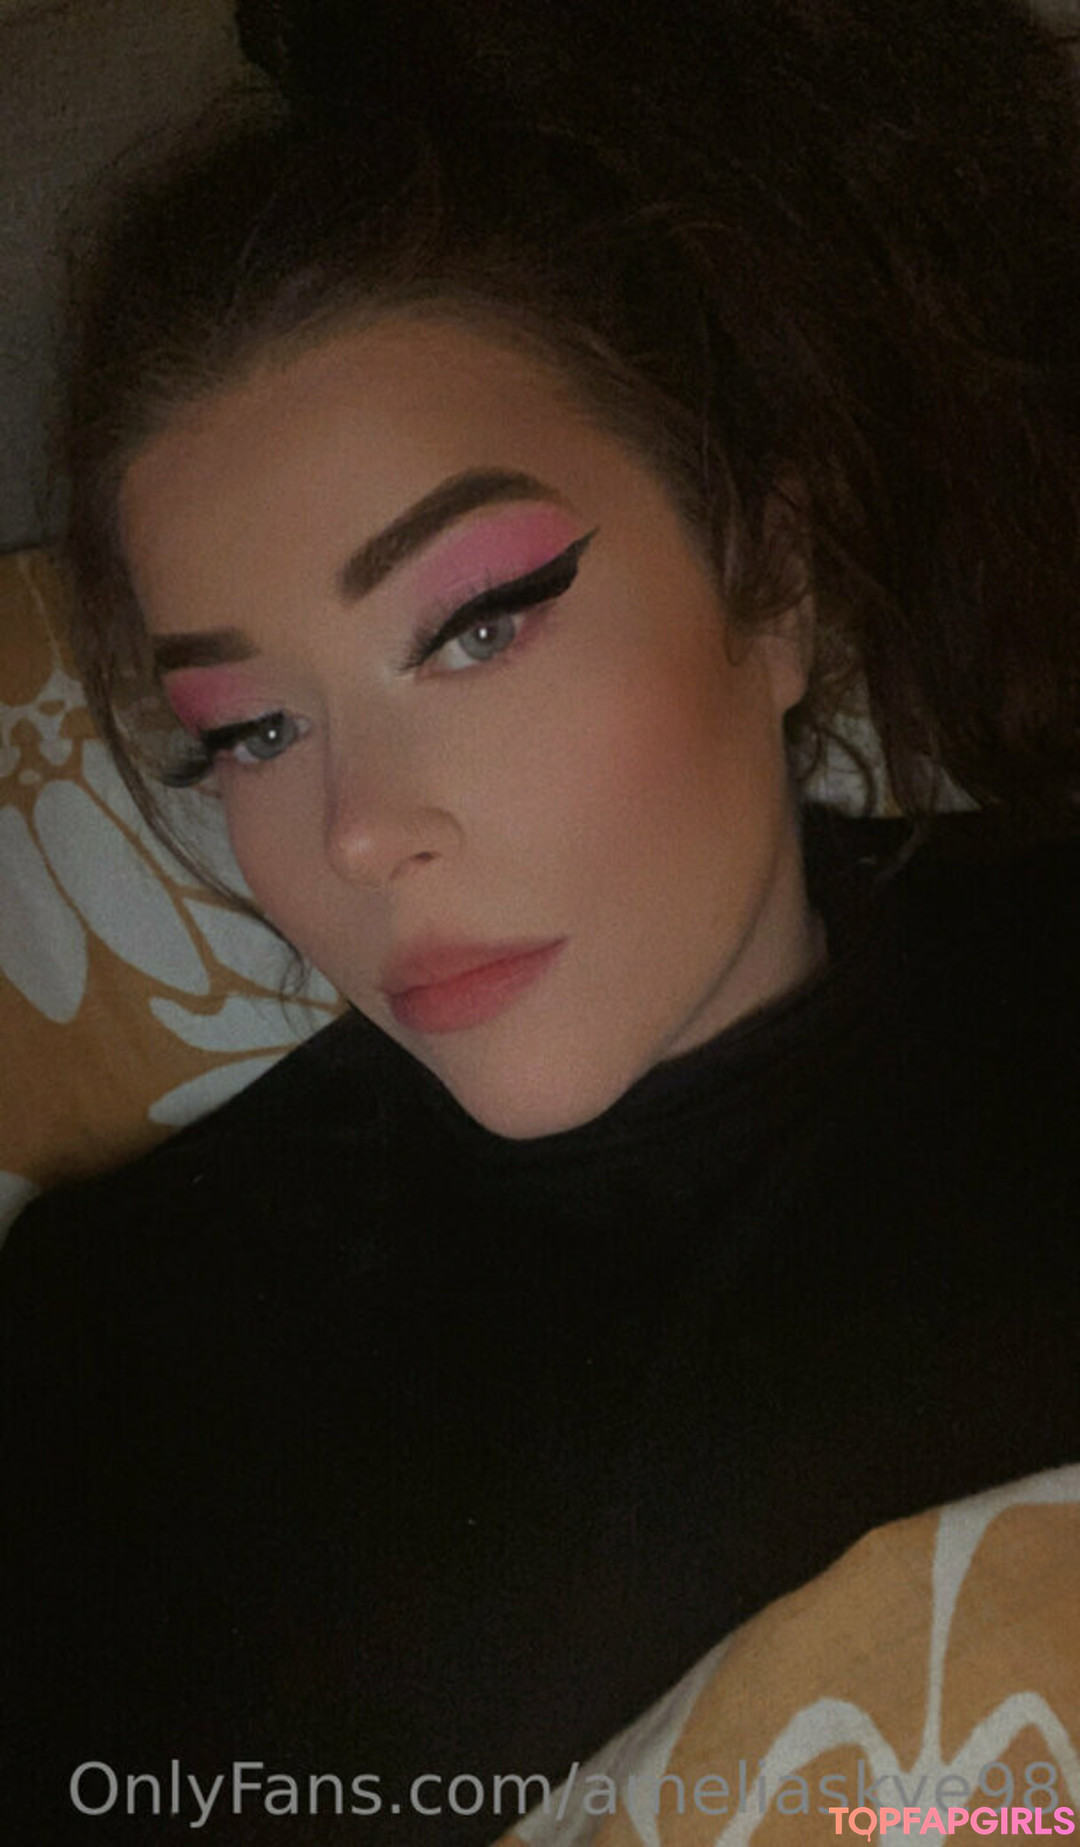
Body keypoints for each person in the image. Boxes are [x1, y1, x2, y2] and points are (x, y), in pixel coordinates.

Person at [2, 0, 1079, 1839]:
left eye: (474, 627)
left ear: (775, 581)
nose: (358, 832)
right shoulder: (107, 1371)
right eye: (252, 729)